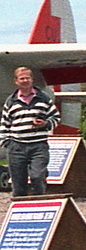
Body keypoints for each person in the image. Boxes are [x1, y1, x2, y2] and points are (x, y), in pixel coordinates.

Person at [2, 67, 59, 197]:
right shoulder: (11, 101)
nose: (25, 80)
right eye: (22, 78)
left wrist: (46, 124)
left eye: (27, 78)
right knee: (18, 184)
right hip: (16, 146)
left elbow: (55, 117)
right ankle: (20, 211)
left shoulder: (43, 99)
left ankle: (38, 203)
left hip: (38, 145)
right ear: (16, 81)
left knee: (37, 176)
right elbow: (5, 123)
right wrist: (6, 142)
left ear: (32, 80)